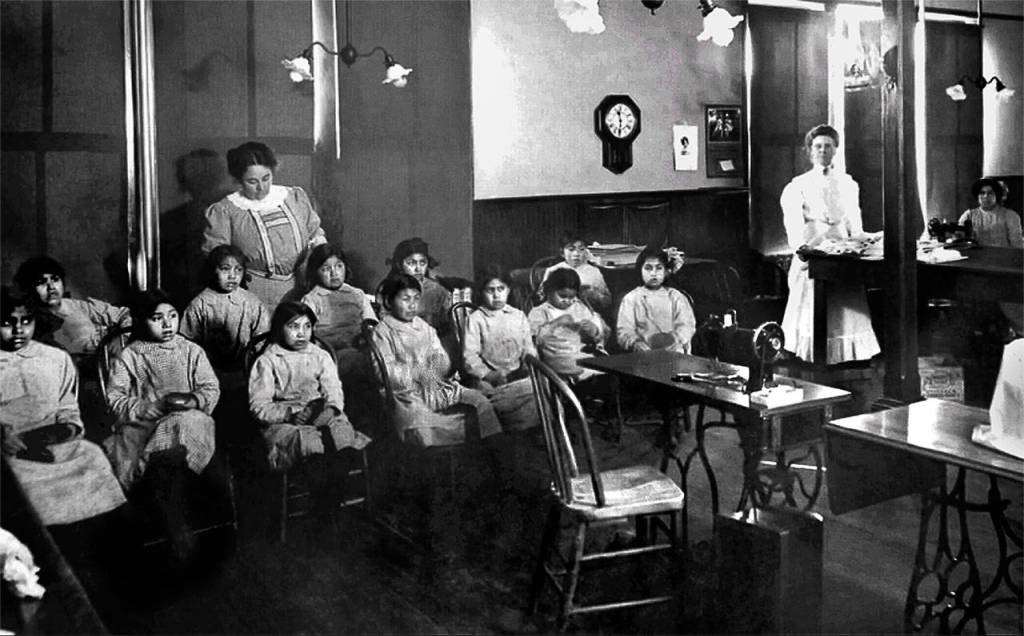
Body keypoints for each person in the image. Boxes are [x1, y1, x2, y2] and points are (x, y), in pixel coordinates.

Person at [103, 290, 220, 557]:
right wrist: (152, 407)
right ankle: (172, 512)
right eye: (157, 318)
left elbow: (210, 387)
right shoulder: (131, 355)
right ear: (142, 320)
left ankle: (172, 504)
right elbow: (115, 399)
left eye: (173, 316)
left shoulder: (190, 350)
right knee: (162, 449)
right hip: (146, 425)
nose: (167, 324)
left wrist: (193, 399)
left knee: (186, 423)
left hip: (190, 420)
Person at [0, 288, 127, 527]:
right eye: (7, 323)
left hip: (49, 443)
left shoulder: (54, 358)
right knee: (14, 483)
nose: (18, 330)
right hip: (8, 452)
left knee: (92, 455)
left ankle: (100, 536)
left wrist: (66, 429)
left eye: (26, 321)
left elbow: (68, 410)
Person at [248, 302, 370, 516]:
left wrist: (331, 409)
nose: (301, 333)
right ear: (279, 328)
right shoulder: (268, 360)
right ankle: (324, 513)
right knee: (311, 446)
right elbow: (259, 406)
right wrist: (290, 414)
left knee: (342, 438)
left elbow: (334, 390)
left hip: (322, 412)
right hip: (287, 422)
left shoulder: (320, 355)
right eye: (293, 327)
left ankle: (327, 507)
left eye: (307, 327)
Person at [779, 124, 880, 364]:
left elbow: (854, 221)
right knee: (811, 299)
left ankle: (849, 354)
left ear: (835, 150)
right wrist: (802, 248)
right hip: (813, 248)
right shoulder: (798, 185)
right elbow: (793, 223)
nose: (822, 150)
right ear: (810, 151)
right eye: (818, 146)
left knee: (845, 298)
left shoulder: (847, 184)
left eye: (828, 146)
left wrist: (862, 239)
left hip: (842, 249)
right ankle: (811, 353)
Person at [371, 274, 502, 448]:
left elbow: (440, 356)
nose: (412, 305)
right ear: (389, 301)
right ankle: (446, 444)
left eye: (416, 299)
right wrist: (416, 374)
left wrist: (433, 370)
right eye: (405, 299)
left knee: (480, 401)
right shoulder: (383, 331)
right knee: (420, 424)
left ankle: (492, 449)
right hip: (405, 394)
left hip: (435, 385)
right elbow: (384, 371)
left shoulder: (423, 326)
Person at [202, 141, 327, 308]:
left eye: (266, 178)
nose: (261, 187)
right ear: (239, 180)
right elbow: (217, 256)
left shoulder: (294, 197)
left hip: (300, 287)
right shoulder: (225, 210)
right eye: (252, 181)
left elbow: (315, 234)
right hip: (252, 293)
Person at [462, 267, 540, 432]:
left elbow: (528, 347)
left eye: (501, 289)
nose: (496, 295)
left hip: (517, 375)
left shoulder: (518, 316)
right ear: (482, 292)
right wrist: (489, 375)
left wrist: (527, 364)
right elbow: (470, 357)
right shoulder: (476, 319)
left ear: (508, 290)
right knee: (486, 398)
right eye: (490, 290)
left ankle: (529, 429)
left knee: (541, 387)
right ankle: (510, 428)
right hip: (490, 379)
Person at [14, 255, 131, 362]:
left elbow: (125, 314)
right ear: (29, 288)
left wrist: (120, 338)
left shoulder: (79, 306)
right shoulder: (30, 323)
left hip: (114, 360)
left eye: (55, 279)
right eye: (41, 282)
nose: (51, 287)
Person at [180, 245, 269, 383]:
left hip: (246, 372)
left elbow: (262, 340)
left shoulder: (252, 302)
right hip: (207, 372)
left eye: (238, 270)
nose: (232, 276)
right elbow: (187, 343)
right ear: (212, 270)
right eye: (225, 269)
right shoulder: (200, 304)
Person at [161, 149, 234, 308]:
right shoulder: (171, 221)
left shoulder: (238, 209)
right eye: (195, 175)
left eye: (208, 173)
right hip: (188, 299)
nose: (202, 180)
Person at [300, 243, 377, 380]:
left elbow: (371, 324)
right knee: (358, 362)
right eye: (326, 269)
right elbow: (307, 335)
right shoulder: (312, 299)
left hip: (359, 346)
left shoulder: (357, 294)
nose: (334, 273)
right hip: (330, 353)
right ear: (315, 272)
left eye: (339, 266)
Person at [528, 268, 609, 379]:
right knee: (588, 371)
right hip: (558, 356)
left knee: (605, 368)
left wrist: (592, 330)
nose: (568, 301)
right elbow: (535, 340)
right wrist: (555, 323)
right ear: (549, 291)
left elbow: (597, 337)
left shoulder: (579, 307)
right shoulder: (540, 312)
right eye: (562, 296)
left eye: (572, 297)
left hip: (582, 352)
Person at [616, 246, 696, 353]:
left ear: (666, 271)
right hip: (644, 354)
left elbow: (687, 326)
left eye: (659, 268)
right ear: (640, 270)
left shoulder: (675, 297)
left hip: (674, 352)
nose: (653, 273)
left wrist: (676, 340)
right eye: (648, 268)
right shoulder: (631, 298)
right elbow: (624, 330)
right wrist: (635, 343)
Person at [382, 237, 451, 335]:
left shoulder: (437, 290)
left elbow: (447, 325)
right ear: (399, 265)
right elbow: (384, 323)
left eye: (422, 263)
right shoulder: (389, 288)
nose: (418, 269)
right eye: (411, 263)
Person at [541, 232, 612, 313]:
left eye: (581, 249)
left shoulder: (593, 271)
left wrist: (595, 295)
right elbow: (542, 297)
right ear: (562, 252)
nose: (577, 254)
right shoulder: (553, 270)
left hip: (586, 313)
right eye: (571, 249)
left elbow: (607, 301)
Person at [958, 178, 1023, 249]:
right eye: (982, 193)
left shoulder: (1010, 215)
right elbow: (960, 240)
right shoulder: (969, 215)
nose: (986, 196)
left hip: (1002, 255)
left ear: (996, 195)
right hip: (976, 255)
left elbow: (1017, 245)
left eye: (990, 193)